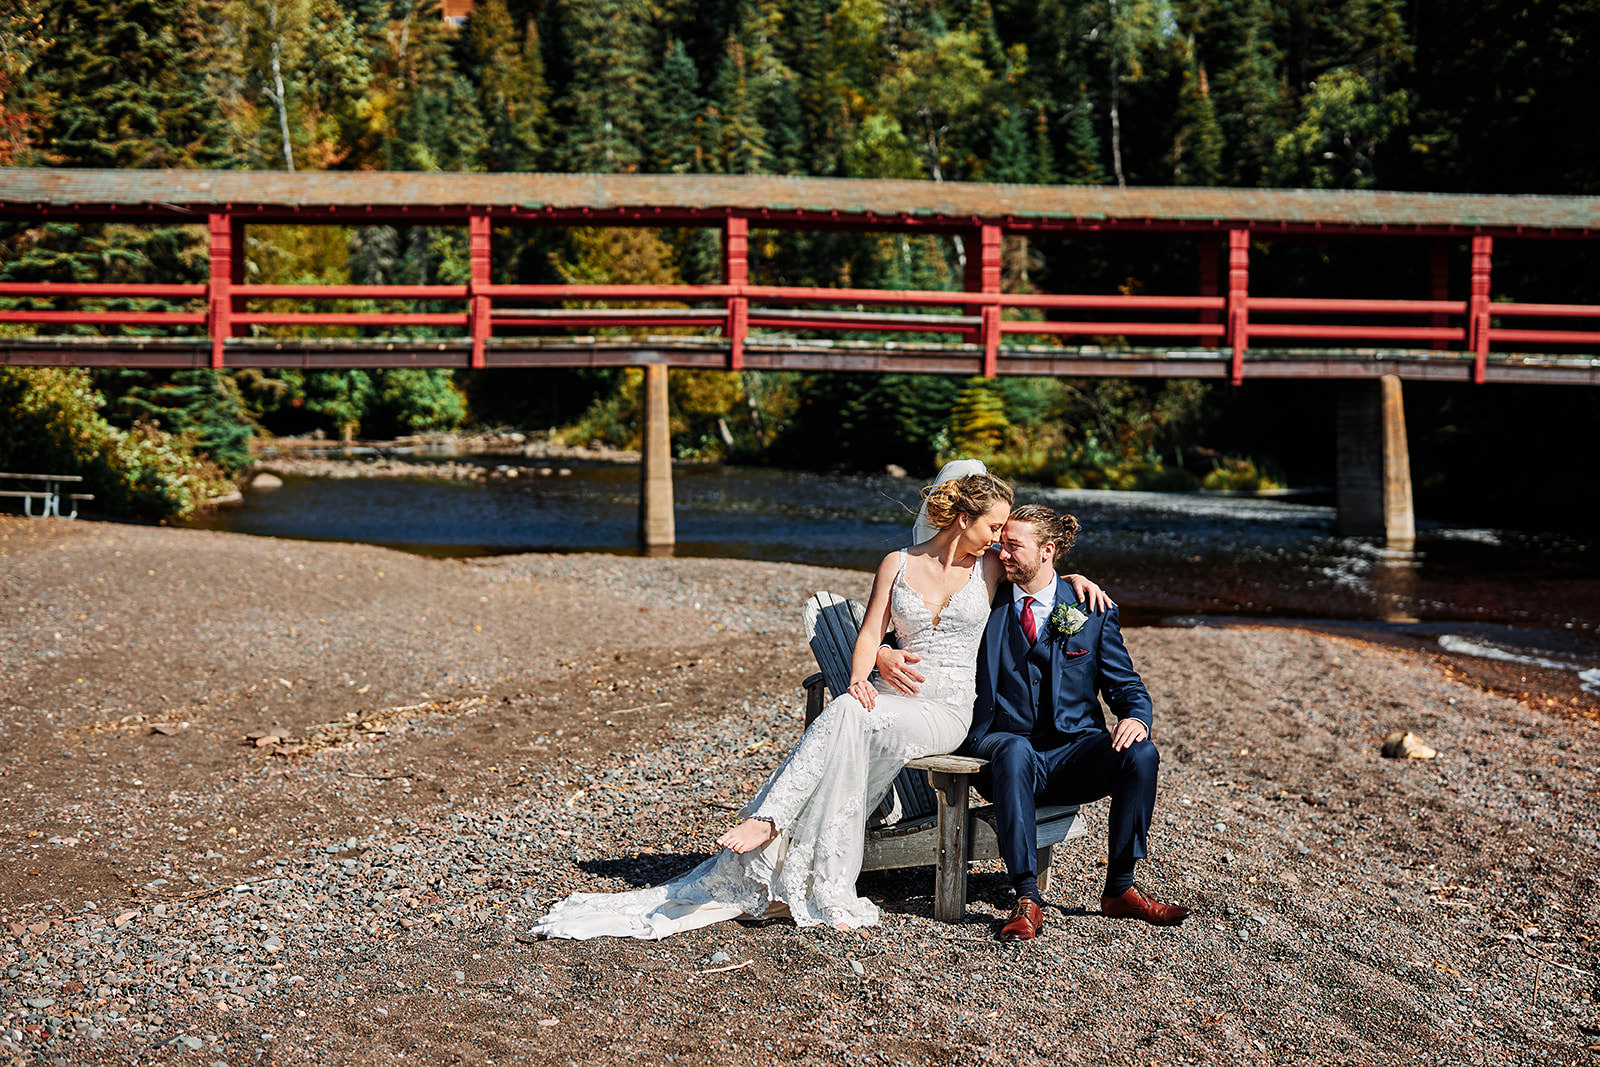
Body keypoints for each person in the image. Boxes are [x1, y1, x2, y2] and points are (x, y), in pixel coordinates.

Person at [528, 472, 1110, 940]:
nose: (1000, 539)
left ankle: (769, 818)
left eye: (1005, 531)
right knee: (848, 710)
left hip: (947, 710)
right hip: (892, 700)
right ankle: (781, 831)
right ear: (964, 520)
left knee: (848, 714)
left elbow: (1041, 575)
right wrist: (866, 670)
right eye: (994, 526)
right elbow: (869, 631)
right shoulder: (898, 563)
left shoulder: (990, 569)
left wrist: (1075, 575)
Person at [877, 503, 1189, 941]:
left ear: (1048, 550)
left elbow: (1126, 685)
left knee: (1141, 752)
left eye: (1012, 546)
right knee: (1015, 747)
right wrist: (883, 651)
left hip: (1072, 754)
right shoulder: (982, 598)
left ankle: (1119, 887)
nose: (1000, 553)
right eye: (1001, 543)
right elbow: (923, 627)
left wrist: (1136, 717)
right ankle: (1026, 896)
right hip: (998, 752)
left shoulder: (1090, 610)